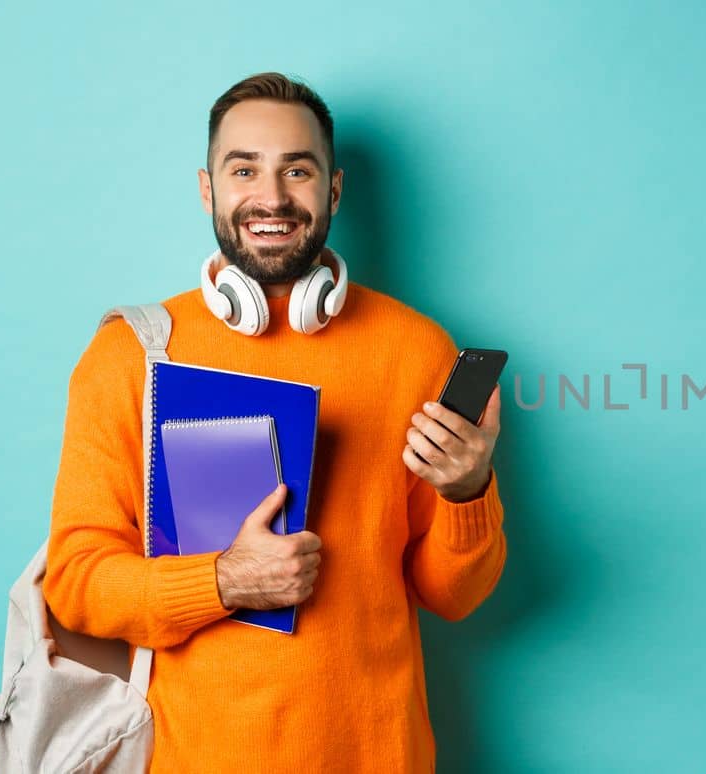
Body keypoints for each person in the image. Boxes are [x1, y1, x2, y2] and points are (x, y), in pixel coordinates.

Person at [42, 72, 506, 772]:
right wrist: (225, 581)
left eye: (297, 169)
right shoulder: (132, 356)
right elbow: (76, 585)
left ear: (334, 190)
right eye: (244, 169)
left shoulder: (417, 350)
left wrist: (468, 490)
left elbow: (452, 597)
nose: (272, 196)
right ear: (208, 191)